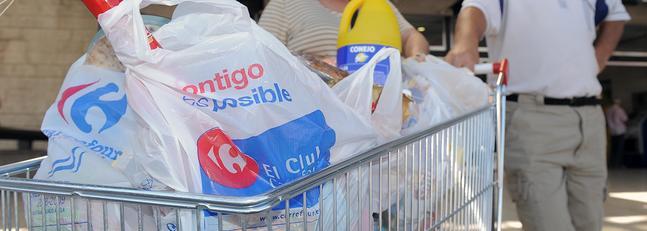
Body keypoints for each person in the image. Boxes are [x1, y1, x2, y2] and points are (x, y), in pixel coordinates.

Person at [446, 1, 630, 230]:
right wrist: (465, 43)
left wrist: (599, 57)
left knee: (590, 222)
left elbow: (616, 13)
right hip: (532, 120)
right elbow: (476, 8)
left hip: (589, 119)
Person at [258, 0, 429, 65]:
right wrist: (314, 68)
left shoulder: (378, 4)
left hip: (381, 107)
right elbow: (260, 56)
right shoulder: (285, 3)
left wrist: (416, 56)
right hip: (316, 111)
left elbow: (411, 36)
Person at [606, 99, 628, 167]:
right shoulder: (619, 110)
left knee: (613, 148)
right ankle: (618, 164)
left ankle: (612, 164)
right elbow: (625, 119)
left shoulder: (608, 110)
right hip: (620, 131)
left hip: (612, 131)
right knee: (619, 149)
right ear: (619, 103)